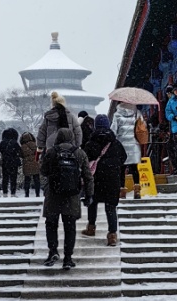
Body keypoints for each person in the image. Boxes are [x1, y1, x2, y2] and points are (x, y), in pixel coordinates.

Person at [40, 128, 94, 269]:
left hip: (53, 195)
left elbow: (43, 171)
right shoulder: (79, 153)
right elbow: (88, 177)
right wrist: (89, 195)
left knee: (51, 224)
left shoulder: (51, 152)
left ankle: (52, 251)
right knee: (70, 227)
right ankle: (68, 258)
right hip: (72, 196)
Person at [82, 114, 127, 246]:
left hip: (95, 179)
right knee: (110, 207)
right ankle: (112, 235)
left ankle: (91, 228)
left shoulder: (90, 143)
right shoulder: (115, 143)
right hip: (112, 179)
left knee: (92, 203)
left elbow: (84, 161)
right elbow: (123, 158)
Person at [111, 102, 143, 198]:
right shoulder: (137, 113)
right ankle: (137, 191)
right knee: (134, 169)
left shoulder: (117, 115)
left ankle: (122, 191)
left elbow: (113, 130)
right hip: (134, 144)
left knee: (121, 169)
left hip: (121, 146)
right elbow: (142, 127)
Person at [0, 128, 22, 197]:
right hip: (14, 162)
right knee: (13, 178)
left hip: (5, 162)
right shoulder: (15, 143)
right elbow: (19, 151)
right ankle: (13, 193)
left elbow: (1, 150)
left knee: (5, 178)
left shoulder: (2, 142)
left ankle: (5, 193)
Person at [20, 131, 41, 197]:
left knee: (27, 180)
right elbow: (39, 153)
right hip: (35, 163)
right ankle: (37, 194)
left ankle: (27, 194)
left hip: (27, 165)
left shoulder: (23, 147)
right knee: (36, 180)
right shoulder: (35, 144)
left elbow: (21, 155)